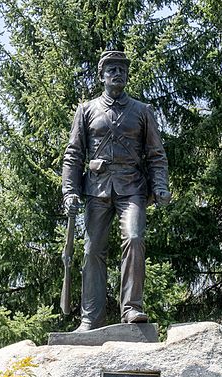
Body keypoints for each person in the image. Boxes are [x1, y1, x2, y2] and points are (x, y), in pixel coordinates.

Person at [62, 50, 171, 332]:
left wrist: (160, 186)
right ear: (101, 75)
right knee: (92, 250)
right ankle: (91, 318)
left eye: (122, 69)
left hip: (132, 187)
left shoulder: (142, 111)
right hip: (97, 189)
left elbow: (156, 155)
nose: (117, 74)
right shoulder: (86, 111)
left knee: (134, 239)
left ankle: (132, 308)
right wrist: (70, 191)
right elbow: (73, 154)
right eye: (111, 69)